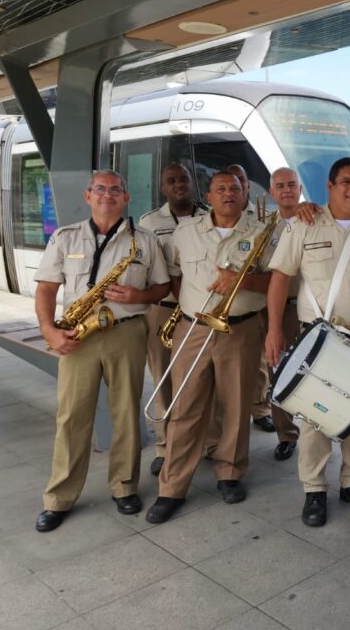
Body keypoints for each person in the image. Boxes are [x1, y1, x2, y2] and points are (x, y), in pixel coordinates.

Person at [265, 157, 350, 527]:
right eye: (346, 182)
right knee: (315, 415)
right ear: (329, 186)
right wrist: (274, 329)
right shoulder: (304, 224)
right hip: (318, 338)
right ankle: (313, 490)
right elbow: (280, 279)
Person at [33, 170, 170, 532]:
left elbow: (162, 287)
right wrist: (49, 330)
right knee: (71, 417)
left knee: (126, 413)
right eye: (100, 189)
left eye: (115, 190)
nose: (107, 195)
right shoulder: (65, 237)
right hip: (77, 335)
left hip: (126, 332)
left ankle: (124, 486)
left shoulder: (145, 240)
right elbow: (46, 289)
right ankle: (59, 498)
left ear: (126, 197)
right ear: (88, 195)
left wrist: (138, 296)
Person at [145, 171, 272, 523]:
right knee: (186, 407)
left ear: (244, 193)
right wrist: (190, 306)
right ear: (209, 196)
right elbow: (173, 274)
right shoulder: (186, 232)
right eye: (220, 189)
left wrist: (242, 280)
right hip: (193, 328)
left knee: (235, 406)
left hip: (241, 330)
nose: (228, 193)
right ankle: (171, 488)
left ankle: (229, 472)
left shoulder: (261, 232)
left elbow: (278, 281)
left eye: (234, 188)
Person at [137, 163, 207, 476]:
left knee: (205, 379)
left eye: (183, 179)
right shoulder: (149, 222)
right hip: (166, 309)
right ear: (163, 188)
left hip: (204, 311)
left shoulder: (210, 215)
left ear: (193, 183)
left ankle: (207, 442)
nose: (178, 184)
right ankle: (166, 447)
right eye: (171, 180)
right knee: (164, 378)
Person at [225, 162, 277, 435]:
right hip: (227, 303)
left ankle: (260, 408)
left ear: (246, 185)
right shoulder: (214, 215)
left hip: (259, 297)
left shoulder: (265, 216)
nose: (238, 187)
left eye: (241, 182)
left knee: (260, 359)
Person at [259, 166, 305, 461]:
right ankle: (286, 433)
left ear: (300, 189)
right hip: (278, 310)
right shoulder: (262, 228)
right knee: (279, 371)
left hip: (311, 309)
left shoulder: (316, 220)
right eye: (280, 185)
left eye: (292, 184)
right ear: (272, 192)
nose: (286, 190)